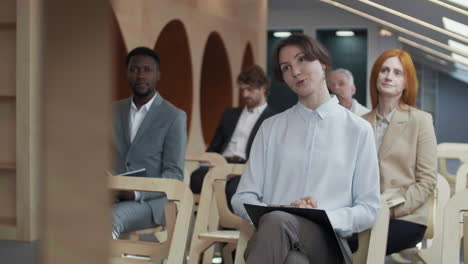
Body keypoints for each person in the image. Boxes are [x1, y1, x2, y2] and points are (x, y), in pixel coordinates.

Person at [231, 33, 380, 264]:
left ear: (322, 63)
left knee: (278, 221)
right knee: (292, 258)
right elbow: (242, 197)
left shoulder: (358, 129)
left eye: (302, 60)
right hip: (277, 241)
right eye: (286, 67)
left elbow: (368, 209)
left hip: (330, 244)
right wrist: (276, 210)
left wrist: (321, 216)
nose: (295, 71)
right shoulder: (270, 128)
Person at [359, 49, 437, 255]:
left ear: (406, 83)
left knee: (358, 243)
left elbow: (427, 181)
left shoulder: (420, 120)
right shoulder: (361, 123)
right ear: (376, 76)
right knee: (333, 238)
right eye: (384, 70)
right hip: (362, 212)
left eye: (397, 73)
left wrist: (389, 211)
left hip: (405, 217)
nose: (388, 76)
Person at [111, 47, 187, 239]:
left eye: (147, 70)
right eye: (134, 69)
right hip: (109, 196)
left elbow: (174, 174)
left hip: (149, 203)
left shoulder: (174, 116)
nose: (140, 75)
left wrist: (135, 192)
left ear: (158, 75)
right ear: (127, 73)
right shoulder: (111, 110)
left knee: (107, 219)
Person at [190, 64, 276, 211]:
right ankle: (204, 227)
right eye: (242, 90)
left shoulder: (273, 119)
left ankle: (229, 230)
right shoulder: (229, 114)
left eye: (250, 90)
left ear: (263, 88)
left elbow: (271, 156)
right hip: (220, 163)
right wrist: (208, 161)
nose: (245, 95)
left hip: (246, 168)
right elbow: (214, 146)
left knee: (234, 189)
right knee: (197, 177)